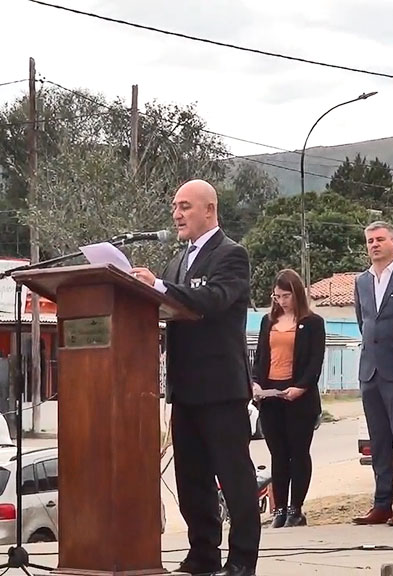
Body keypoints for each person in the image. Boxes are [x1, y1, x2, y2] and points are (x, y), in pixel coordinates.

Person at [131, 179, 259, 576]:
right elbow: (167, 304)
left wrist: (161, 286)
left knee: (234, 478)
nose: (177, 214)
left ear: (209, 209)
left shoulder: (231, 255)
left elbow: (214, 300)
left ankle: (241, 560)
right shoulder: (176, 262)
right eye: (174, 206)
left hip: (221, 388)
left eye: (185, 206)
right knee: (191, 482)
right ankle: (202, 554)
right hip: (184, 388)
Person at [352, 221, 393, 526]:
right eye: (369, 241)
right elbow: (363, 322)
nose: (374, 245)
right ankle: (381, 501)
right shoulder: (362, 282)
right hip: (370, 370)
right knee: (378, 440)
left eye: (380, 239)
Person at [252, 269, 326, 529]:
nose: (281, 301)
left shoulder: (312, 323)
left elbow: (315, 361)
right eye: (277, 296)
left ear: (297, 294)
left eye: (286, 296)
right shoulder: (267, 321)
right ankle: (280, 508)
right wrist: (256, 382)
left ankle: (297, 508)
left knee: (298, 452)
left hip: (298, 396)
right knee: (278, 454)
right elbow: (261, 355)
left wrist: (301, 387)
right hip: (271, 394)